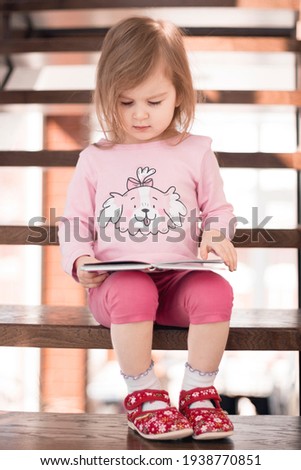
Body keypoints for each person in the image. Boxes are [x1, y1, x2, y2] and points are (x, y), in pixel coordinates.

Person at [59, 16, 237, 441]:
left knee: (217, 291)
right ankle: (143, 393)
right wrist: (81, 260)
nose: (139, 114)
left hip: (178, 280)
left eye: (154, 101)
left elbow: (218, 208)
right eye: (125, 102)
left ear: (179, 94)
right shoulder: (96, 158)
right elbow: (74, 221)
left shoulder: (196, 151)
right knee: (133, 288)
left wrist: (216, 233)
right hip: (116, 286)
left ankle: (198, 392)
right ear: (107, 96)